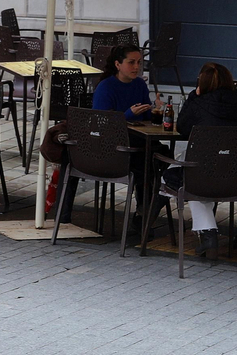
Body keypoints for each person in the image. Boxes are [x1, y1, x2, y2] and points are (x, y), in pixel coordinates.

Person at [72, 44, 167, 229]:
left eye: (139, 62)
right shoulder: (106, 87)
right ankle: (145, 210)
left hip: (137, 142)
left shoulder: (139, 84)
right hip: (111, 149)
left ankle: (147, 208)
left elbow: (146, 117)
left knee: (159, 154)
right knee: (147, 162)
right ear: (118, 64)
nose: (136, 67)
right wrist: (128, 115)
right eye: (131, 62)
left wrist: (155, 110)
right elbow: (101, 125)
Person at [167, 63, 237, 256]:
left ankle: (208, 235)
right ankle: (207, 235)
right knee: (192, 174)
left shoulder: (198, 103)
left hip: (204, 174)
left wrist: (193, 97)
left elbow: (182, 128)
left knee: (184, 177)